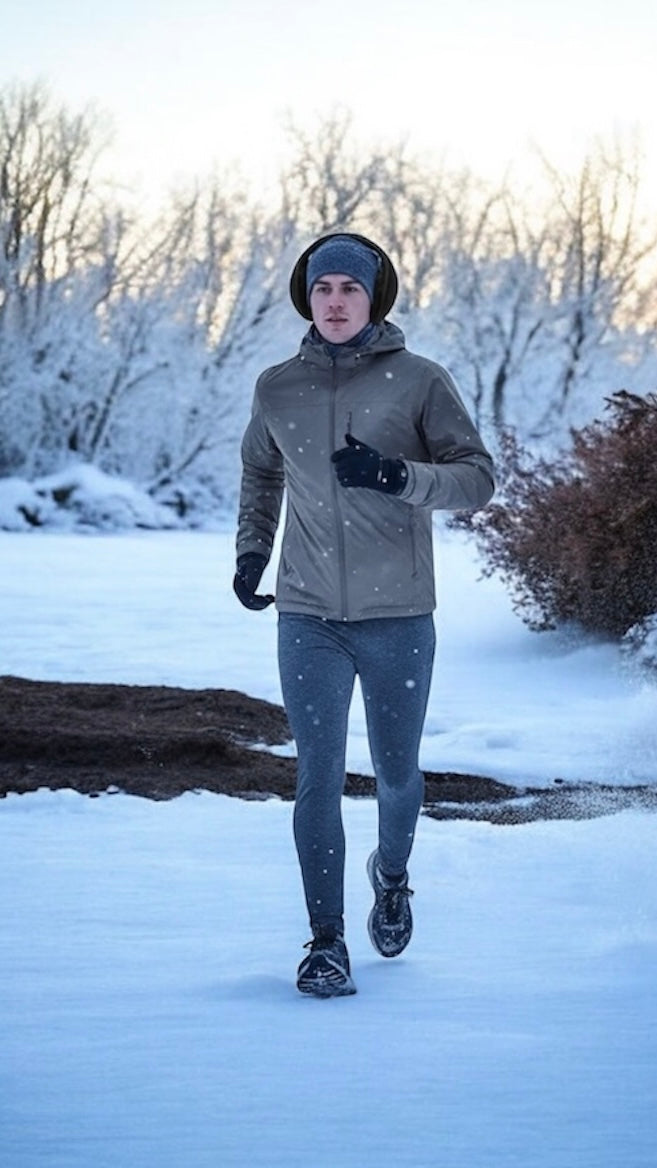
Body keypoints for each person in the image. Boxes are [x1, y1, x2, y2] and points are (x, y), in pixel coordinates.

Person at [233, 232, 494, 998]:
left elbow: (476, 478)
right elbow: (259, 472)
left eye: (349, 287)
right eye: (322, 288)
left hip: (398, 616)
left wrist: (395, 475)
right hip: (307, 614)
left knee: (395, 773)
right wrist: (251, 552)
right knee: (315, 776)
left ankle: (393, 875)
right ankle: (325, 942)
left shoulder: (419, 381)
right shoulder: (278, 387)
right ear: (306, 298)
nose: (335, 301)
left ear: (372, 297)